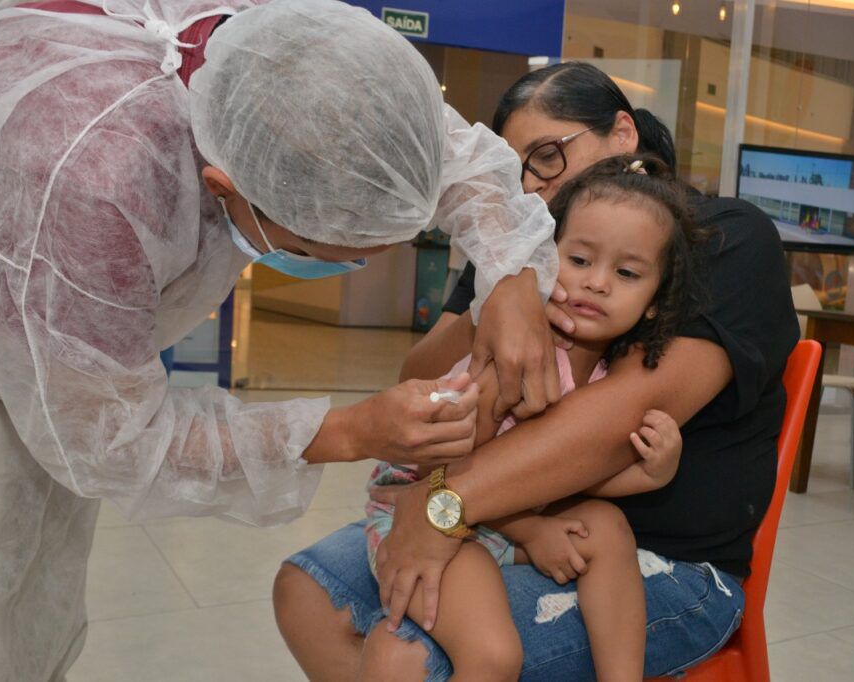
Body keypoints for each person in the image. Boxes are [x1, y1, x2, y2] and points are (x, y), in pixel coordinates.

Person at [0, 1, 568, 678]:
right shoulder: (90, 179)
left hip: (60, 316)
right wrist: (351, 431)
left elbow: (459, 161)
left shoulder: (302, 74)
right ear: (224, 187)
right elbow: (112, 438)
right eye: (321, 251)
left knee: (37, 606)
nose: (346, 268)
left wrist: (514, 277)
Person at [276, 61, 801, 680]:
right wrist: (506, 291)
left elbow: (613, 424)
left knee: (411, 656)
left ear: (623, 133)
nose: (533, 183)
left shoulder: (719, 237)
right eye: (513, 167)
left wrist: (444, 506)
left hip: (661, 558)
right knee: (305, 591)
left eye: (548, 155)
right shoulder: (525, 240)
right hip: (511, 517)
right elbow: (417, 373)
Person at [363, 155, 707, 680]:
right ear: (544, 259)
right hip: (427, 509)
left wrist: (650, 473)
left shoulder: (612, 380)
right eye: (580, 260)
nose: (597, 283)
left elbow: (581, 476)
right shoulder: (516, 359)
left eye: (627, 272)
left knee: (608, 528)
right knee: (495, 655)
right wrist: (531, 530)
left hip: (498, 515)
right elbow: (449, 470)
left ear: (655, 302)